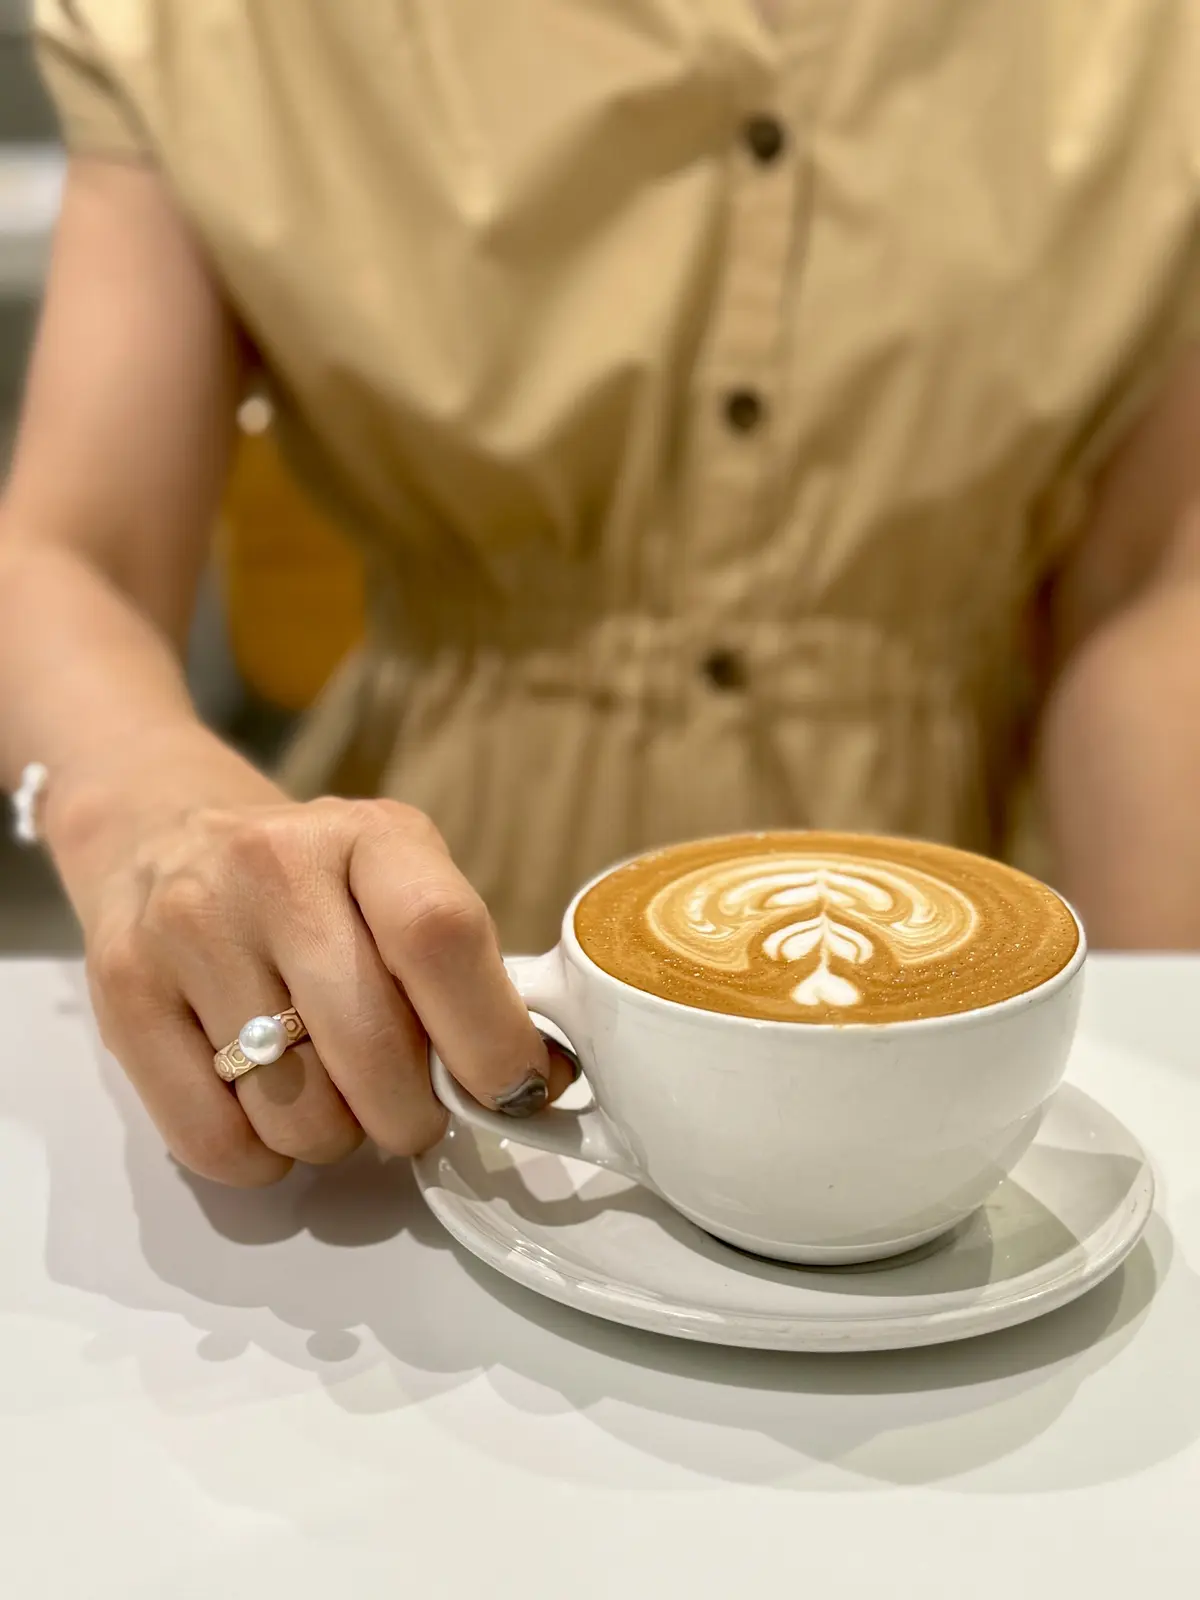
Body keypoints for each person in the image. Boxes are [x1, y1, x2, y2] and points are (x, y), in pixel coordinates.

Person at [2, 2, 1199, 1187]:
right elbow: (76, 549)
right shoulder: (224, 29)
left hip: (971, 895)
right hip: (429, 913)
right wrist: (147, 813)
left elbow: (1152, 591)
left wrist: (1159, 1049)